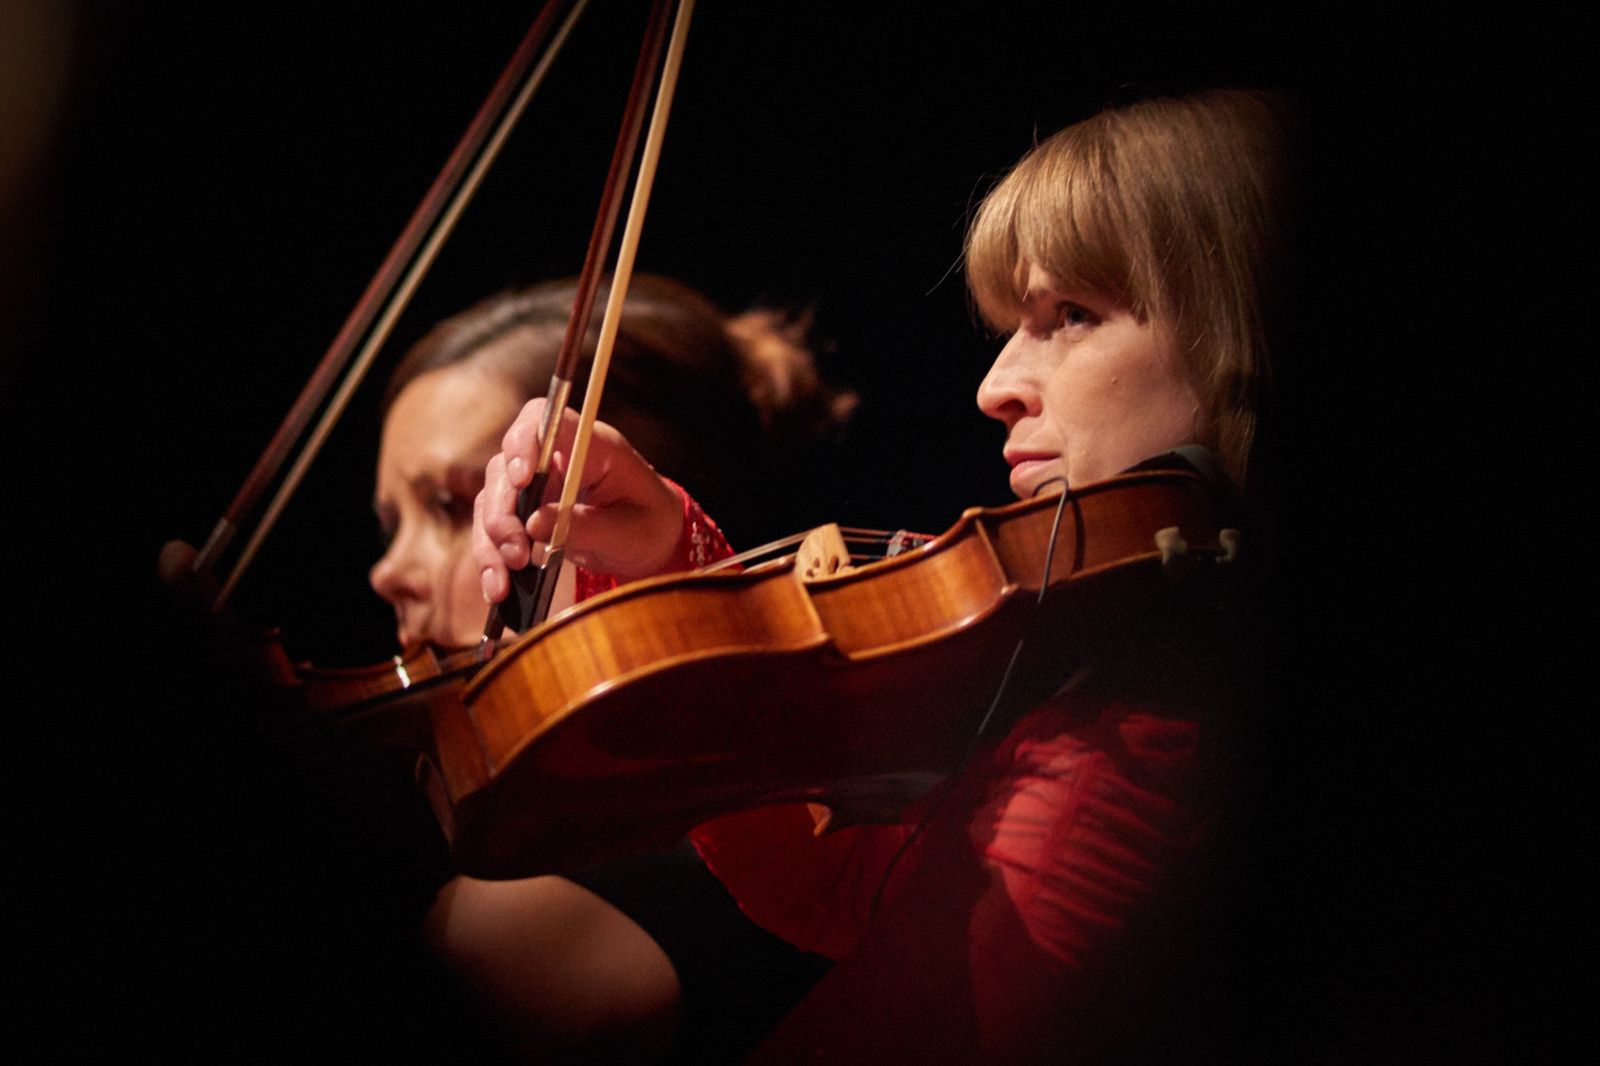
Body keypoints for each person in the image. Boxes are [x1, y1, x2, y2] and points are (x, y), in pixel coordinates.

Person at [474, 89, 1287, 1061]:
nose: (993, 388)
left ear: (1246, 338)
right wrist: (662, 559)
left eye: (1072, 315)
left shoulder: (1161, 733)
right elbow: (848, 880)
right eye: (1012, 327)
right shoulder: (1086, 662)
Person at [369, 274, 849, 1060]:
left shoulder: (528, 925)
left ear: (613, 501)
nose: (387, 572)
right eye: (391, 523)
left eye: (453, 506)